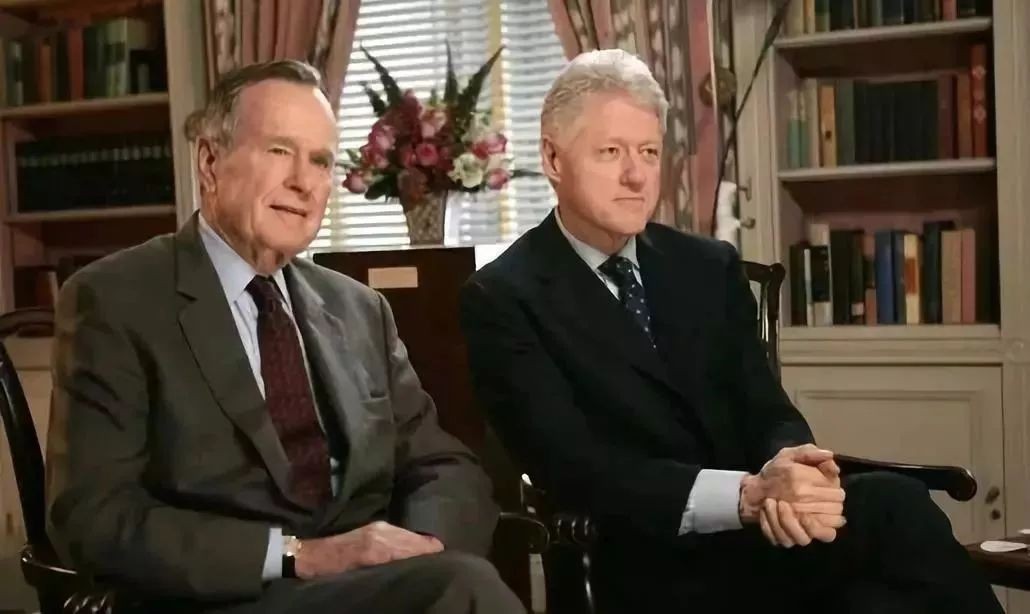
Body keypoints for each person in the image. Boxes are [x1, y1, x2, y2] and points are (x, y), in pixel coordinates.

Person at [458, 49, 1001, 614]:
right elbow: (575, 467)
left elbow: (766, 409)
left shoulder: (706, 265)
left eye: (649, 152)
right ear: (553, 158)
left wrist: (789, 470)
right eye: (611, 152)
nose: (636, 175)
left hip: (762, 536)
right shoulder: (503, 296)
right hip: (646, 554)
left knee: (893, 508)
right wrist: (745, 495)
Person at [46, 59, 524, 614]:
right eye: (279, 150)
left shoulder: (359, 308)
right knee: (463, 589)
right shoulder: (115, 299)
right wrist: (296, 555)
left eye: (320, 161)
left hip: (369, 591)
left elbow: (443, 465)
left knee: (456, 581)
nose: (303, 181)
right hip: (225, 596)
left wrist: (420, 551)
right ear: (210, 162)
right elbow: (94, 515)